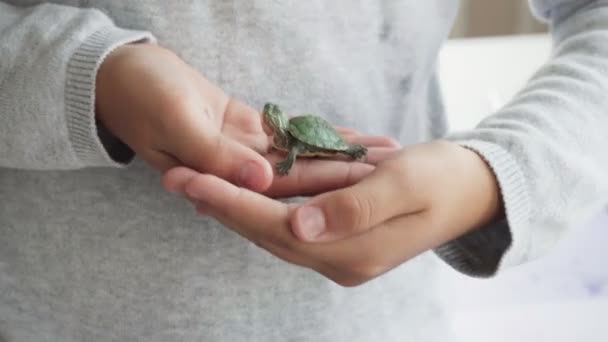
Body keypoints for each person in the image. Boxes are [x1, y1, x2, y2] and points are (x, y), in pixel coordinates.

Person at [1, 0, 607, 341]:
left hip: (380, 319)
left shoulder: (290, 142)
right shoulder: (281, 139)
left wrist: (497, 175)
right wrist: (92, 75)